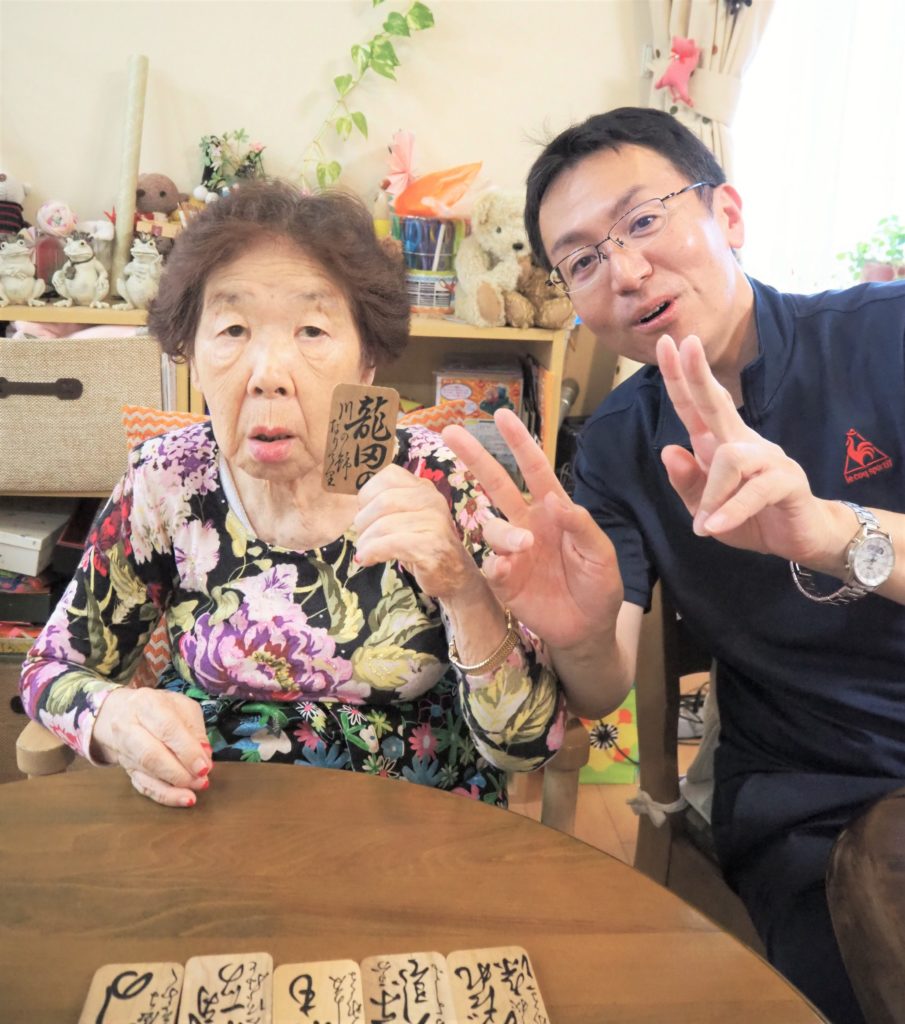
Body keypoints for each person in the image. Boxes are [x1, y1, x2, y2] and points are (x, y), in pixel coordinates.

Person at [442, 107, 905, 1024]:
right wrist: (575, 632)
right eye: (581, 260)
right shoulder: (618, 447)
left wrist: (829, 530)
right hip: (816, 796)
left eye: (643, 220)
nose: (624, 272)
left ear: (726, 213)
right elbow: (602, 680)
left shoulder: (883, 337)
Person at [19, 180, 565, 811]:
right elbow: (49, 668)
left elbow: (526, 746)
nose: (268, 375)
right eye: (232, 329)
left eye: (311, 330)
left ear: (366, 361)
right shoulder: (167, 478)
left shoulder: (435, 478)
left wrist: (463, 587)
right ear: (190, 353)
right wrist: (114, 715)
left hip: (411, 818)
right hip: (213, 810)